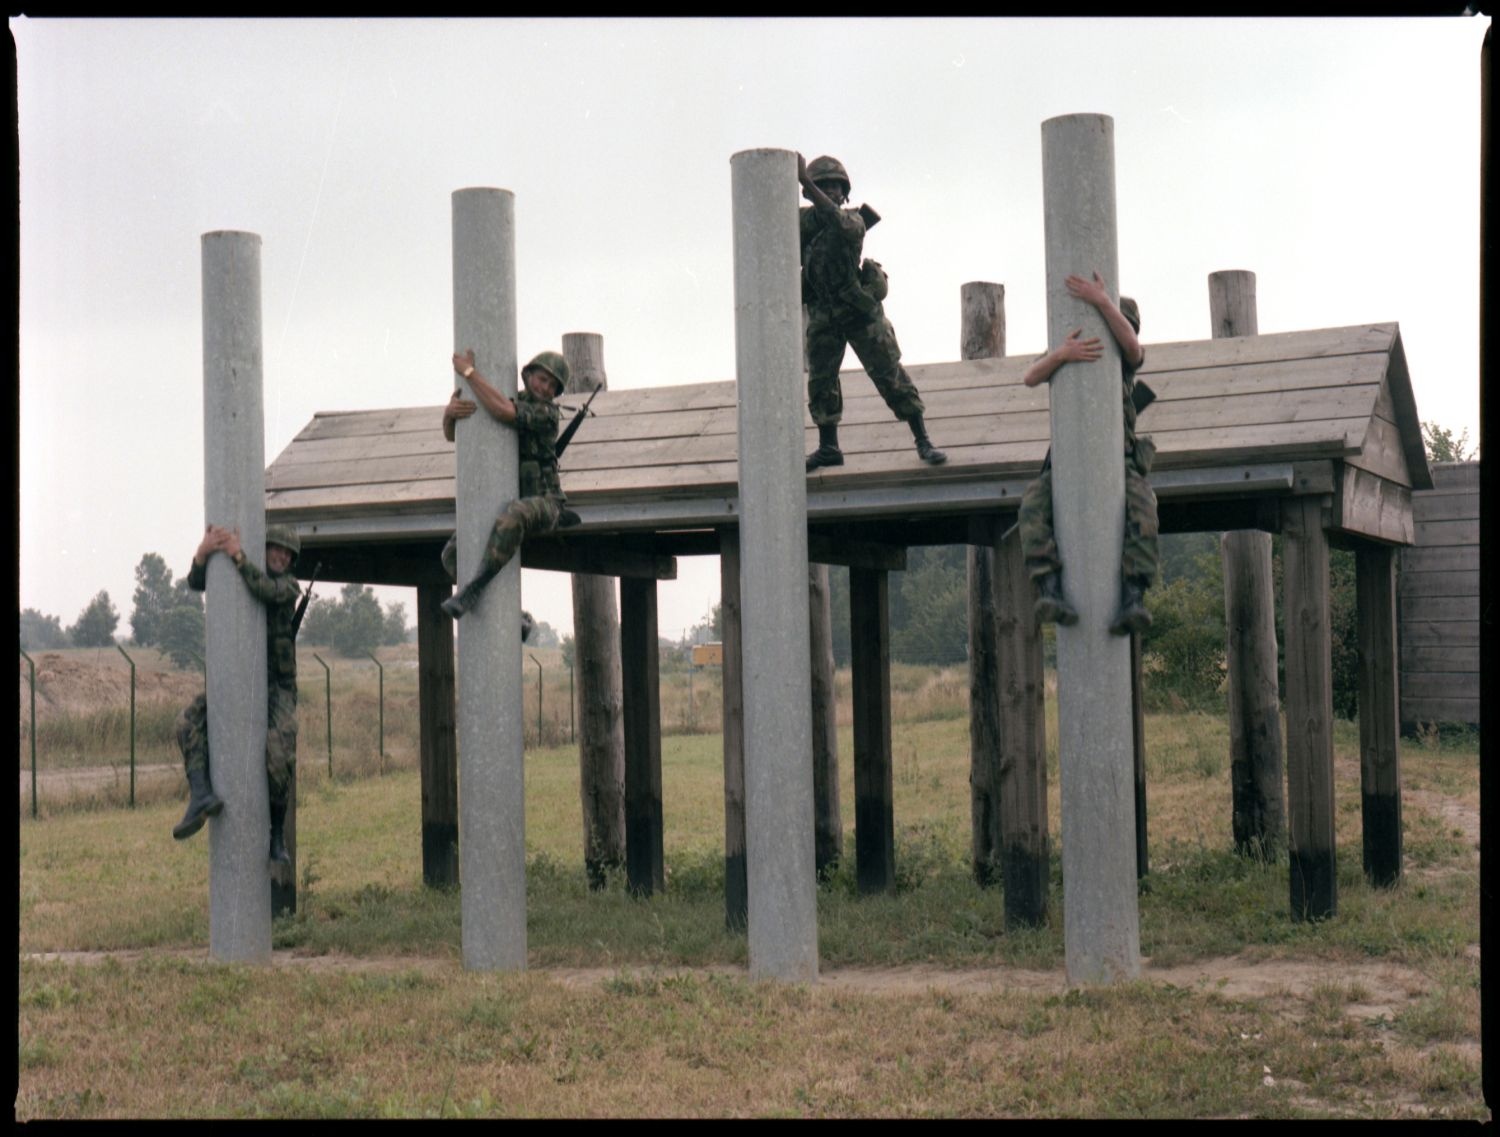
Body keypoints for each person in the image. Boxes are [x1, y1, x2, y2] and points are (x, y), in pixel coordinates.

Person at [1017, 271, 1158, 635]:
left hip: (1120, 456)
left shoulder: (1122, 357)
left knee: (1143, 509)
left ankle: (1133, 596)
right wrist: (1062, 354)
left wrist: (1101, 300)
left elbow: (1133, 347)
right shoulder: (1073, 345)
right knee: (1032, 506)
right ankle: (1048, 586)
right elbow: (1030, 376)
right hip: (1068, 455)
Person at [797, 153, 947, 471]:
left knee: (890, 375)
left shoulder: (852, 221)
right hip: (825, 313)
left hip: (858, 311)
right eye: (824, 186)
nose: (832, 192)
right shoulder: (806, 223)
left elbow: (837, 222)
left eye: (837, 187)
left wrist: (807, 182)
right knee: (821, 382)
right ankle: (829, 448)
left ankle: (923, 440)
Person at [172, 523, 302, 865]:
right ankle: (200, 794)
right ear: (266, 548)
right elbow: (197, 582)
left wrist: (236, 554)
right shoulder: (245, 571)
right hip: (240, 677)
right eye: (276, 548)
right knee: (187, 721)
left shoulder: (288, 585)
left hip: (279, 686)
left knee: (278, 754)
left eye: (288, 554)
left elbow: (266, 590)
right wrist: (203, 554)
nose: (282, 556)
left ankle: (276, 838)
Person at [440, 349, 568, 622]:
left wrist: (469, 373)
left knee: (515, 513)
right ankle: (516, 617)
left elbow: (502, 411)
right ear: (529, 375)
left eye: (551, 385)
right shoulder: (515, 398)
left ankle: (473, 589)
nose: (544, 388)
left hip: (546, 503)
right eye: (540, 379)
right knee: (451, 554)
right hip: (511, 500)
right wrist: (449, 414)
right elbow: (455, 437)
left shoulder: (546, 413)